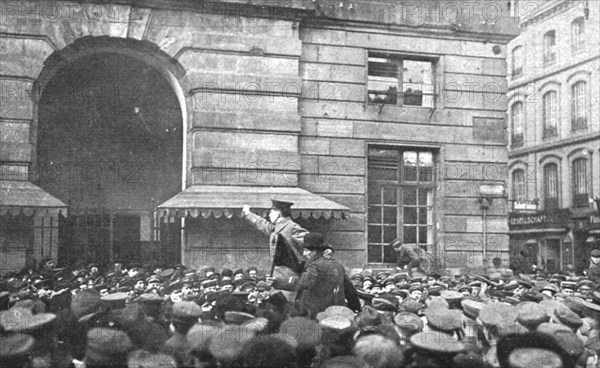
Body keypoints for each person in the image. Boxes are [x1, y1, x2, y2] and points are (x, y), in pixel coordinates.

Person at [268, 232, 360, 317]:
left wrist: (277, 281)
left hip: (317, 313)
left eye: (306, 250)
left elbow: (301, 283)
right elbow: (350, 290)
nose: (304, 254)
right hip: (337, 312)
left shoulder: (315, 266)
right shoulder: (338, 266)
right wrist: (355, 307)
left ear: (314, 251)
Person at [242, 199, 309, 272]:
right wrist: (248, 213)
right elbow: (262, 224)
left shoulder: (292, 227)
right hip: (279, 270)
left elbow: (312, 241)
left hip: (291, 270)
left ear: (278, 213)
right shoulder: (276, 227)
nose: (269, 215)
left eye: (271, 212)